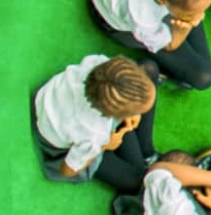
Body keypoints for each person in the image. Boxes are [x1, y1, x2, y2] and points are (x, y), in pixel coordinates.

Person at [32, 55, 159, 192]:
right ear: (117, 116)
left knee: (149, 68)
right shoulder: (94, 134)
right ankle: (147, 158)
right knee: (136, 180)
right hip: (63, 144)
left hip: (53, 99)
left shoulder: (99, 64)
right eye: (138, 112)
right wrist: (105, 146)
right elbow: (67, 171)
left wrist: (133, 113)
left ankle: (147, 157)